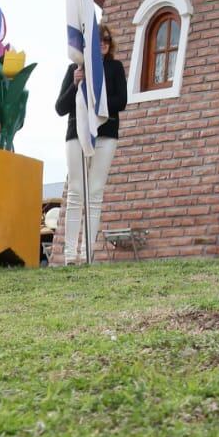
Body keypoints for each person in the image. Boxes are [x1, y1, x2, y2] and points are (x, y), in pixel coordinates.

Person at [55, 22, 128, 263]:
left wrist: (98, 94)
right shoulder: (75, 69)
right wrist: (76, 84)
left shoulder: (115, 68)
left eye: (107, 39)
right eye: (99, 39)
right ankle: (69, 255)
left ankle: (88, 254)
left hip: (105, 133)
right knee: (76, 191)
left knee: (95, 193)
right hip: (77, 132)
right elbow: (60, 107)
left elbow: (121, 101)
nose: (104, 43)